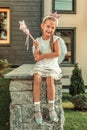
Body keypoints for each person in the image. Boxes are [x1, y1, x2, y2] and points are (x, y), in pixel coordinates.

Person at [33, 12, 62, 125]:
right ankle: (37, 109)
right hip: (41, 65)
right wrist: (36, 48)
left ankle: (51, 108)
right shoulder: (38, 40)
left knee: (50, 79)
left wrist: (43, 55)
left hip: (51, 66)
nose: (50, 29)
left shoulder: (56, 39)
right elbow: (36, 58)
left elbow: (57, 53)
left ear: (55, 29)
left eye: (53, 27)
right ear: (42, 26)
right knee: (37, 78)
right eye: (48, 26)